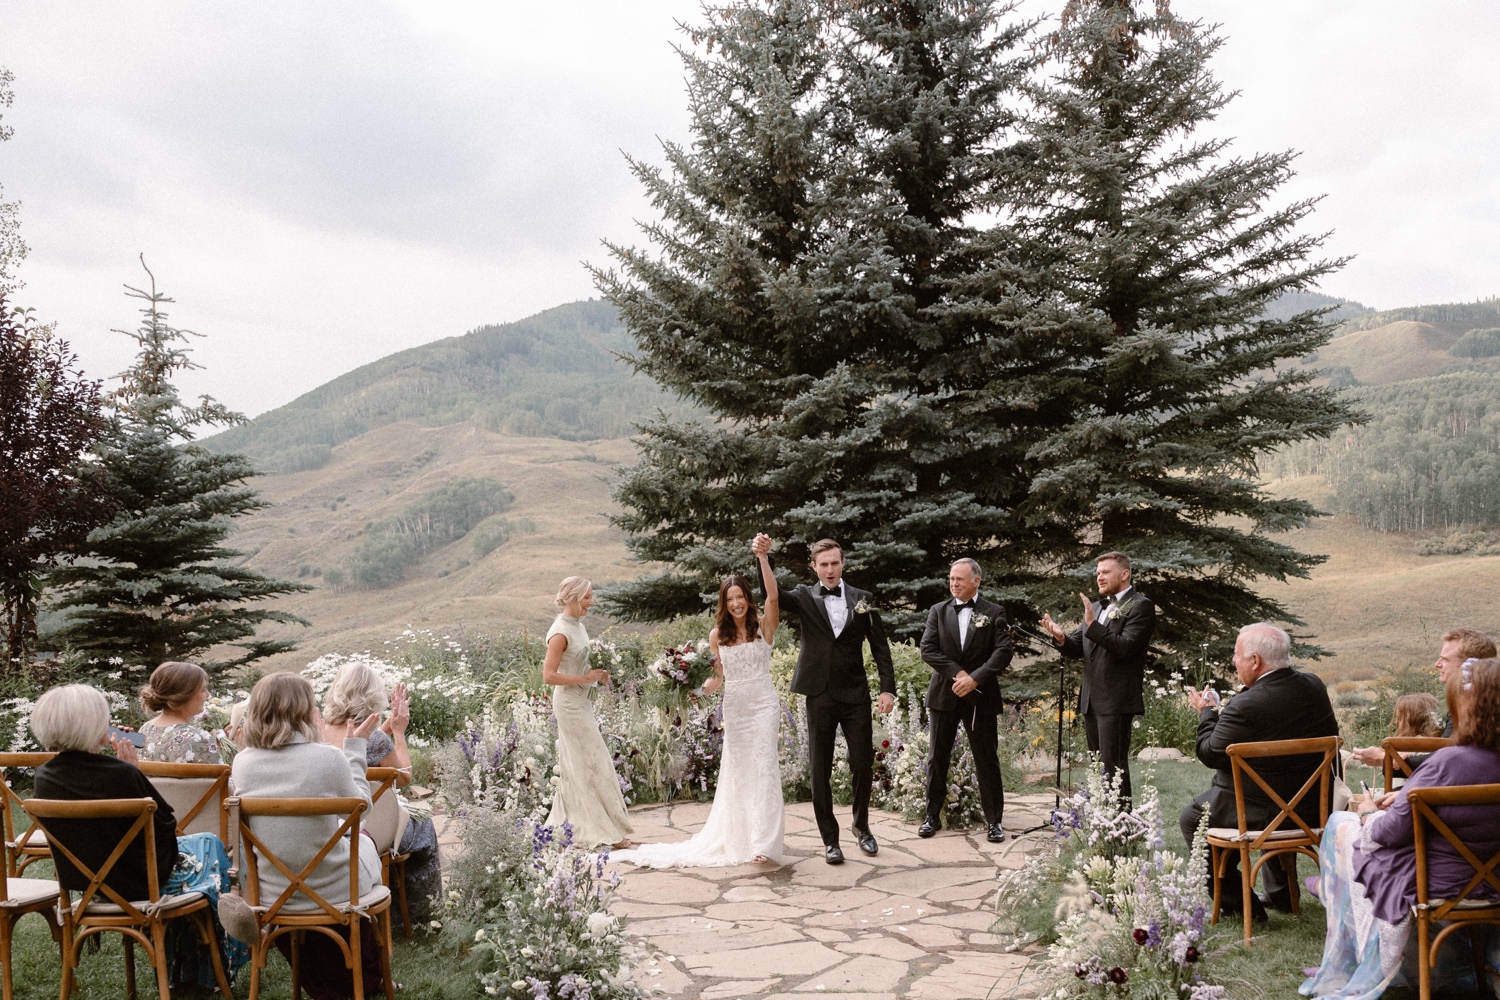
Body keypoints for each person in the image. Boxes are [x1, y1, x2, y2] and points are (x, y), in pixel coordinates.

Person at [1300, 658, 1500, 999]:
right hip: (1492, 878)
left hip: (1441, 881)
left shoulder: (1449, 762)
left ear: (1464, 709)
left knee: (1342, 829)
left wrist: (1366, 813)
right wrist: (1408, 799)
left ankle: (1348, 958)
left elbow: (1388, 834)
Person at [30, 683, 247, 991]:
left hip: (91, 885)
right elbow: (163, 826)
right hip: (143, 881)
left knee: (203, 846)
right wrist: (135, 772)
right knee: (209, 846)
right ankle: (208, 969)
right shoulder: (121, 773)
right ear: (92, 725)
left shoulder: (44, 778)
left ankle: (190, 968)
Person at [615, 537, 784, 867]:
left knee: (764, 770)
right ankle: (742, 837)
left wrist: (763, 558)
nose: (736, 603)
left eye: (741, 597)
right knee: (740, 773)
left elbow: (774, 596)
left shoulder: (764, 627)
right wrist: (696, 691)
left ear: (749, 600)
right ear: (724, 603)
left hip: (764, 705)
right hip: (736, 709)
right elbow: (718, 678)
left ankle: (763, 843)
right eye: (730, 599)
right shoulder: (716, 635)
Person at [231, 672, 385, 1000]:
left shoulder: (242, 763)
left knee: (324, 855)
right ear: (305, 710)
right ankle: (366, 978)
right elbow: (359, 809)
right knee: (368, 841)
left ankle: (323, 979)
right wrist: (355, 748)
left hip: (274, 890)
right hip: (334, 888)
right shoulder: (327, 758)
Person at [1181, 622, 1340, 918]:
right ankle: (1282, 896)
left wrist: (1206, 712)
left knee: (1194, 818)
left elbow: (1210, 752)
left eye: (1237, 655)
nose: (1233, 660)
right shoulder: (1314, 686)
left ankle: (1240, 904)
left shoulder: (1246, 705)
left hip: (1267, 811)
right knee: (1270, 787)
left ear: (1255, 661)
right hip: (1312, 808)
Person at [778, 537, 895, 864]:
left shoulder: (863, 599)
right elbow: (770, 593)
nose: (829, 569)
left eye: (834, 563)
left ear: (843, 564)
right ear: (814, 567)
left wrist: (888, 688)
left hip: (855, 694)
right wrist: (763, 558)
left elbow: (880, 647)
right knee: (820, 768)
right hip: (819, 693)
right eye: (823, 564)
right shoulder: (803, 596)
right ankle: (830, 840)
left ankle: (862, 826)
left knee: (862, 762)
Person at [321, 662, 442, 925]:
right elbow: (405, 777)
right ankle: (418, 912)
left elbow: (361, 743)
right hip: (371, 828)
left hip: (331, 825)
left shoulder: (321, 732)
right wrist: (398, 731)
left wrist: (386, 726)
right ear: (371, 695)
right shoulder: (378, 740)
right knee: (424, 825)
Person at [1040, 551, 1156, 802]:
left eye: (1105, 572)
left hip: (1116, 700)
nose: (1099, 578)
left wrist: (1093, 626)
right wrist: (1061, 637)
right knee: (1097, 767)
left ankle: (1121, 830)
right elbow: (1077, 648)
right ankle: (1103, 825)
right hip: (1091, 700)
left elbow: (1125, 646)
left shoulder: (1140, 605)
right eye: (1098, 573)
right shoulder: (1094, 607)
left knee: (1114, 767)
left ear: (1124, 574)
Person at [918, 557, 1013, 843]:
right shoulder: (938, 611)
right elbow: (928, 649)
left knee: (986, 759)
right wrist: (959, 674)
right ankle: (931, 816)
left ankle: (994, 822)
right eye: (951, 578)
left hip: (980, 696)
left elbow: (1003, 652)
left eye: (960, 579)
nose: (954, 583)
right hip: (944, 695)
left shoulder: (994, 612)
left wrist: (975, 678)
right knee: (937, 758)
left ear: (976, 581)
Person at [543, 575, 635, 850]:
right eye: (587, 598)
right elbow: (548, 676)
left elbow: (579, 666)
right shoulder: (560, 631)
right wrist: (584, 679)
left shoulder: (578, 626)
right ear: (572, 598)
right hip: (569, 706)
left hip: (582, 703)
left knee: (587, 763)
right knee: (590, 762)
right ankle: (604, 831)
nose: (591, 602)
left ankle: (603, 827)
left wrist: (596, 675)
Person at [1348, 626, 1495, 769]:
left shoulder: (1474, 706)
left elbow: (1447, 760)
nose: (1437, 664)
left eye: (1445, 659)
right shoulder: (1475, 700)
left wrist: (1387, 759)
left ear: (1468, 665)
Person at [138, 660, 222, 764]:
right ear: (185, 696)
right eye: (203, 690)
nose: (208, 694)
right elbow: (223, 778)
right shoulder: (199, 739)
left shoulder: (145, 730)